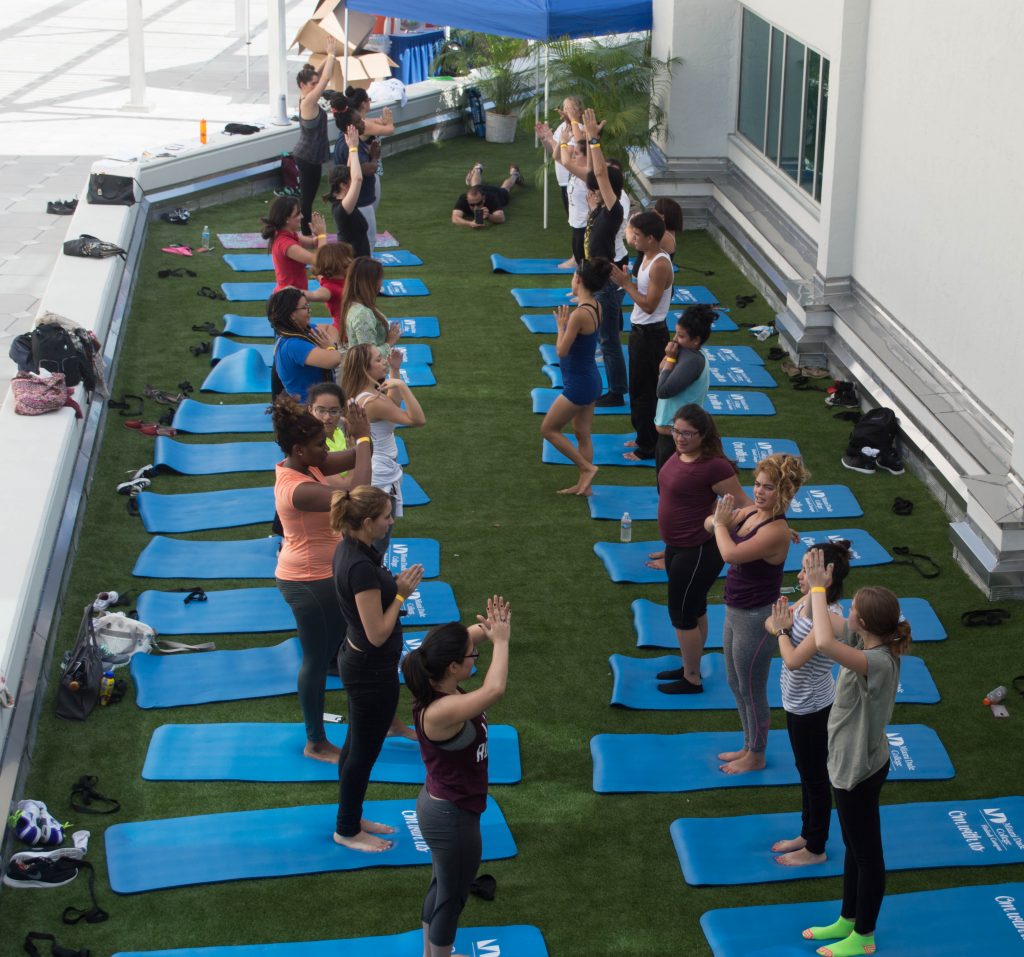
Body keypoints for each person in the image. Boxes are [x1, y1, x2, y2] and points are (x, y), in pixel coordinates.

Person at [801, 552, 909, 957]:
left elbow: (825, 642)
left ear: (864, 622)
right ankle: (848, 919)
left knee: (868, 855)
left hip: (859, 769)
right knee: (853, 846)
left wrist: (816, 588)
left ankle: (864, 936)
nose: (849, 613)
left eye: (854, 610)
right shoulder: (865, 640)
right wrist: (821, 589)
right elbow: (829, 626)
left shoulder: (875, 661)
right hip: (853, 761)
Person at [402, 598, 511, 957]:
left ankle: (430, 954)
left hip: (442, 805)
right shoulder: (442, 709)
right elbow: (494, 691)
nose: (474, 658)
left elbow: (464, 640)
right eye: (471, 658)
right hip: (453, 815)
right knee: (452, 896)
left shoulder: (438, 676)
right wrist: (502, 642)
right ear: (452, 667)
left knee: (442, 884)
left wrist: (490, 627)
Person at [271, 392, 372, 763]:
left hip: (323, 575)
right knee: (317, 659)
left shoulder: (307, 465)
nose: (325, 450)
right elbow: (359, 493)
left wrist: (363, 437)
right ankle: (315, 742)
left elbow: (359, 459)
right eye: (318, 445)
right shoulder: (298, 489)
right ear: (299, 449)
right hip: (310, 582)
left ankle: (380, 718)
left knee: (347, 648)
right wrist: (360, 439)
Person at [330, 486, 425, 852]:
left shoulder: (355, 549)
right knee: (362, 753)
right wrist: (400, 593)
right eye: (387, 516)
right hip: (369, 668)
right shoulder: (359, 566)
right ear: (368, 523)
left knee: (356, 745)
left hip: (364, 665)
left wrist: (394, 588)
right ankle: (347, 829)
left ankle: (351, 817)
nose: (391, 521)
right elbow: (376, 633)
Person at [708, 453, 809, 773]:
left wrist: (721, 524)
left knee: (752, 689)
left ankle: (758, 754)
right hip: (735, 610)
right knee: (735, 682)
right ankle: (748, 744)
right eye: (757, 484)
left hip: (756, 617)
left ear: (785, 493)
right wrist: (718, 522)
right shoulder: (752, 511)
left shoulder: (775, 530)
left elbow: (729, 552)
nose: (759, 492)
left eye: (768, 487)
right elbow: (709, 523)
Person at [765, 540, 852, 866]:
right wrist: (779, 627)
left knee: (815, 777)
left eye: (806, 570)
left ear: (825, 576)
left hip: (812, 709)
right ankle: (807, 832)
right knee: (806, 772)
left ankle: (815, 847)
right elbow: (773, 622)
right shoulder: (808, 602)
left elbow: (792, 660)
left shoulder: (827, 618)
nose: (799, 575)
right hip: (796, 703)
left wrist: (781, 632)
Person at [655, 405, 750, 694]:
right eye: (676, 431)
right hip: (677, 546)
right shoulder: (680, 452)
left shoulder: (714, 466)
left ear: (703, 434)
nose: (680, 438)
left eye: (687, 433)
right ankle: (690, 666)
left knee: (682, 614)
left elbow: (743, 504)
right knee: (694, 608)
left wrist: (772, 524)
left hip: (698, 550)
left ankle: (692, 678)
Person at [553, 108, 627, 405]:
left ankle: (618, 392)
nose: (591, 189)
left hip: (606, 280)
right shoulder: (598, 208)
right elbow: (567, 162)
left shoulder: (614, 209)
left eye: (596, 188)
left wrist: (594, 140)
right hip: (594, 275)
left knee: (609, 340)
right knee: (602, 337)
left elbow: (597, 173)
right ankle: (608, 384)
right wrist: (571, 134)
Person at [340, 344, 426, 553]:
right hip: (380, 474)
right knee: (377, 541)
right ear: (365, 369)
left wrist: (394, 370)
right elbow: (417, 419)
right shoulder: (372, 401)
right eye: (378, 360)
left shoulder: (362, 394)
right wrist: (403, 386)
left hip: (376, 468)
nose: (384, 361)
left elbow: (391, 405)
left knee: (368, 538)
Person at [539, 259, 609, 496]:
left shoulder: (579, 314)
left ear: (578, 280)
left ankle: (586, 468)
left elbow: (561, 351)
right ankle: (585, 487)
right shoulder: (596, 306)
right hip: (589, 379)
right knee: (582, 432)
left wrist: (560, 327)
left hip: (579, 384)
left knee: (548, 429)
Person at [611, 211, 674, 461]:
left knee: (645, 390)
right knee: (637, 389)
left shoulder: (659, 263)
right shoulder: (645, 255)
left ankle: (648, 447)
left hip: (652, 334)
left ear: (650, 238)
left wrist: (627, 284)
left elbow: (649, 305)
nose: (632, 239)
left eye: (637, 235)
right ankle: (643, 435)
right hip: (640, 331)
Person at [653, 305, 716, 471]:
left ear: (695, 340)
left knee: (672, 488)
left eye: (680, 336)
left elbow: (662, 390)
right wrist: (670, 356)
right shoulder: (686, 352)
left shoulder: (692, 361)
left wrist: (671, 359)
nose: (674, 340)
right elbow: (661, 369)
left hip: (678, 437)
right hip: (672, 433)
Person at [292, 39, 337, 235]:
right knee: (307, 196)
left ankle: (304, 228)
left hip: (310, 155)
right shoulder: (308, 100)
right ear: (303, 85)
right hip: (307, 156)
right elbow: (325, 79)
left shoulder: (304, 94)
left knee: (308, 194)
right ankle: (306, 232)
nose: (317, 85)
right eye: (313, 84)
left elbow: (319, 76)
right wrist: (332, 55)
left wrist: (327, 58)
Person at [268, 286, 342, 403]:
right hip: (308, 411)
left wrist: (331, 344)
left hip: (318, 404)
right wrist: (329, 347)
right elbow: (334, 360)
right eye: (305, 307)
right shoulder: (294, 345)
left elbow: (331, 329)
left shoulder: (299, 330)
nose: (309, 311)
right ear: (292, 314)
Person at [332, 105, 381, 251]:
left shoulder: (344, 141)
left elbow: (351, 171)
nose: (363, 124)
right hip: (361, 202)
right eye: (359, 121)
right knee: (368, 240)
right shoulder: (349, 146)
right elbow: (357, 176)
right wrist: (373, 158)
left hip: (359, 201)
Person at [261, 196, 331, 297]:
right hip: (289, 300)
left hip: (293, 296)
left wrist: (318, 235)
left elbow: (312, 243)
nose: (302, 216)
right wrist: (322, 235)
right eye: (298, 214)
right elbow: (319, 260)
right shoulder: (286, 244)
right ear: (286, 219)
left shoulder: (287, 234)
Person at [325, 114, 369, 257]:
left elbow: (352, 173)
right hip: (352, 265)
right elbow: (357, 178)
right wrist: (354, 149)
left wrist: (351, 146)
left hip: (358, 262)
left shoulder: (344, 202)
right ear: (343, 185)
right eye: (348, 180)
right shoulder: (342, 209)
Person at [344, 86, 394, 214]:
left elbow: (372, 122)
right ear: (363, 103)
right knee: (370, 207)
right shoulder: (364, 125)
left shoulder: (357, 121)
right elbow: (390, 130)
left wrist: (380, 121)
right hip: (369, 166)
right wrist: (389, 120)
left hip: (364, 165)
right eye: (369, 100)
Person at [341, 256, 401, 359]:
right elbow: (368, 356)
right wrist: (389, 343)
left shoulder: (353, 304)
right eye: (380, 278)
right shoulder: (363, 313)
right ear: (370, 281)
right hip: (369, 374)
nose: (381, 283)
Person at [451, 162, 524, 228]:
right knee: (475, 186)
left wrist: (489, 216)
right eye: (472, 205)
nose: (476, 207)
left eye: (479, 203)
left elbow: (501, 218)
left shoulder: (492, 198)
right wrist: (470, 223)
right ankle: (477, 169)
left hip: (497, 192)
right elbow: (455, 218)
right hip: (478, 189)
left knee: (506, 188)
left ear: (483, 199)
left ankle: (515, 175)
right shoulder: (464, 198)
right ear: (467, 200)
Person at [313, 241, 354, 334]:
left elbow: (319, 274)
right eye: (347, 259)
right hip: (346, 336)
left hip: (354, 328)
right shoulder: (330, 289)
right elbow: (315, 295)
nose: (351, 260)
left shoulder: (343, 278)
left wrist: (321, 238)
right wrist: (299, 293)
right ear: (337, 264)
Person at [307, 381, 348, 454]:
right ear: (310, 410)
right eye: (321, 411)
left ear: (341, 411)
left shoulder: (339, 431)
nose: (327, 417)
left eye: (334, 411)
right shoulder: (309, 442)